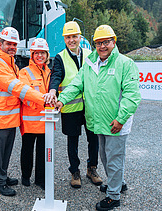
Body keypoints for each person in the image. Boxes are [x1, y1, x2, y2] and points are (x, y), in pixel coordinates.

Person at [55, 25, 141, 210]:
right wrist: (62, 100)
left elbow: (132, 96)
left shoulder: (125, 64)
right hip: (99, 122)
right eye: (98, 43)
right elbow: (77, 84)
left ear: (114, 41)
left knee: (114, 158)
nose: (102, 46)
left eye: (106, 42)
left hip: (116, 123)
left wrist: (121, 119)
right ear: (94, 44)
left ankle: (113, 196)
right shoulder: (91, 63)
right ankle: (118, 183)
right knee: (105, 157)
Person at [0, 27, 46, 197]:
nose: (12, 47)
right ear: (1, 43)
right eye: (8, 43)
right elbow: (17, 87)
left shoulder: (10, 63)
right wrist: (42, 99)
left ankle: (3, 176)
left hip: (8, 116)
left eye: (14, 44)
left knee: (5, 151)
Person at [45, 21, 101, 188]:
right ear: (64, 39)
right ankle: (74, 171)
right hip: (70, 107)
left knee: (94, 139)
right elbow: (56, 76)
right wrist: (53, 92)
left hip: (90, 106)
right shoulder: (60, 57)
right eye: (68, 37)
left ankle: (92, 169)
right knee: (73, 141)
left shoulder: (90, 54)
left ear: (79, 37)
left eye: (74, 36)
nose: (72, 40)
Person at [19, 38, 51, 190]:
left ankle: (40, 179)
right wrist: (44, 102)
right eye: (36, 53)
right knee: (27, 150)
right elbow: (24, 95)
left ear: (47, 55)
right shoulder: (24, 72)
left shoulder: (49, 72)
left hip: (46, 120)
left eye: (42, 53)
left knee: (43, 152)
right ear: (32, 54)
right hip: (30, 119)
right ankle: (25, 176)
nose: (40, 56)